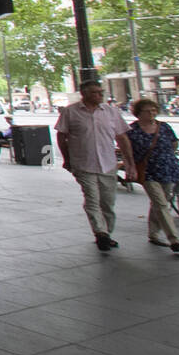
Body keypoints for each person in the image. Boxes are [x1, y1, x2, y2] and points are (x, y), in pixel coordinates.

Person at [55, 79, 137, 252]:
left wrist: (130, 163)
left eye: (101, 92)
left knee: (108, 203)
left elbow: (122, 137)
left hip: (108, 164)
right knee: (92, 199)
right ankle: (100, 233)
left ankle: (106, 233)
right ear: (84, 94)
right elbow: (62, 136)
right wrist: (67, 159)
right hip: (83, 163)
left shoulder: (111, 112)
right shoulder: (70, 112)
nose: (100, 95)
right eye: (95, 92)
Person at [125, 98, 179, 253]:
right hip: (147, 172)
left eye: (153, 110)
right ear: (138, 113)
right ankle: (174, 238)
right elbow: (127, 151)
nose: (151, 113)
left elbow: (174, 143)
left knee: (160, 203)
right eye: (147, 111)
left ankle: (153, 233)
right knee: (161, 204)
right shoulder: (132, 130)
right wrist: (130, 166)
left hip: (167, 168)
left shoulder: (163, 127)